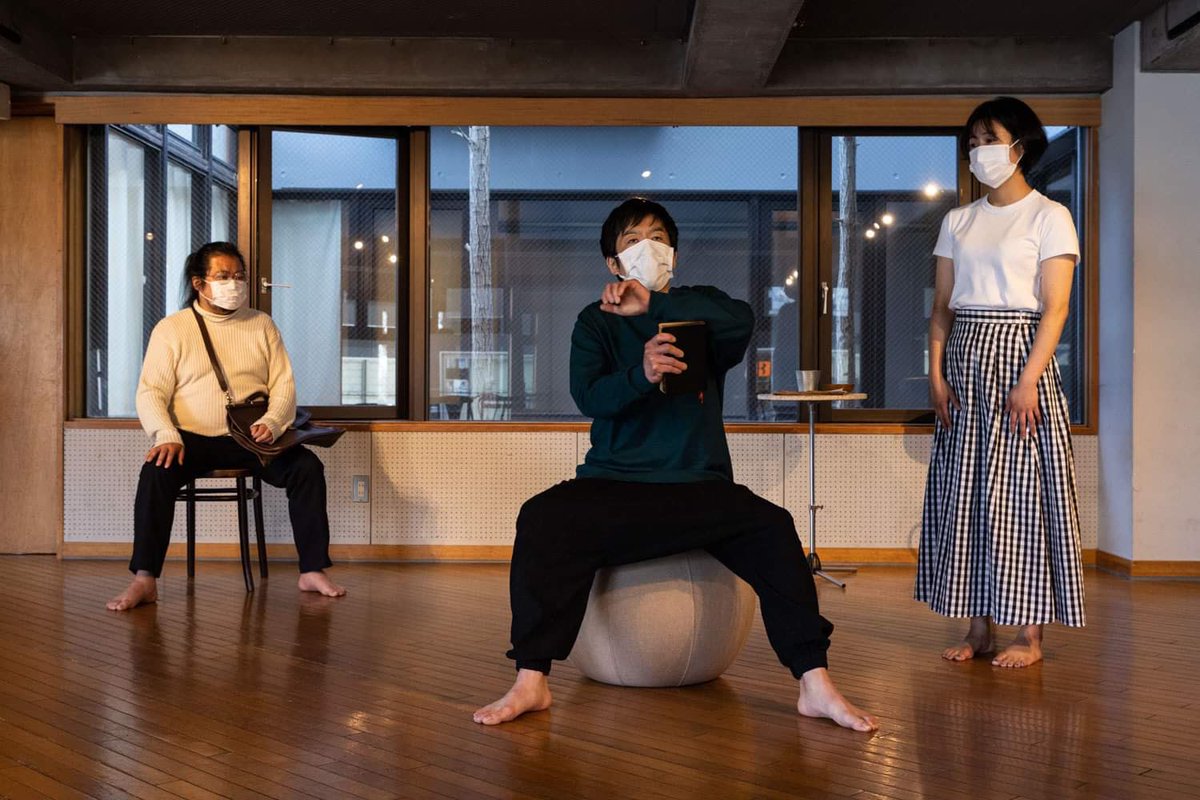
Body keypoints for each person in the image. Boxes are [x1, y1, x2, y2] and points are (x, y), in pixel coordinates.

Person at [472, 198, 877, 730]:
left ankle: (814, 683)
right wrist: (641, 374)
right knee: (542, 516)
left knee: (774, 526)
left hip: (698, 485)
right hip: (615, 482)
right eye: (633, 240)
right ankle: (531, 680)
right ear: (613, 263)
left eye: (659, 238)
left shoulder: (699, 308)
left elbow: (742, 321)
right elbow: (590, 397)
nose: (649, 247)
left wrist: (652, 305)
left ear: (675, 255)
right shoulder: (594, 322)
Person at [916, 97, 1085, 667]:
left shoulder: (1050, 215)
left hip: (1020, 355)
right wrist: (935, 374)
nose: (979, 151)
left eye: (989, 139)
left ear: (1021, 144)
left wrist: (1029, 379)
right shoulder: (958, 220)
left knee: (1022, 495)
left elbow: (1056, 308)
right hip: (965, 356)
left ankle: (1028, 636)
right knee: (966, 494)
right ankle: (978, 627)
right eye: (972, 142)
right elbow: (941, 307)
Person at [107, 242, 345, 611]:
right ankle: (145, 578)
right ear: (199, 283)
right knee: (155, 471)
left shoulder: (261, 324)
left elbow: (284, 385)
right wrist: (166, 435)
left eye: (239, 276)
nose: (233, 283)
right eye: (223, 276)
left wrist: (272, 422)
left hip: (252, 438)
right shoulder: (172, 329)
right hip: (191, 440)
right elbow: (151, 391)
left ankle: (312, 570)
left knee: (307, 468)